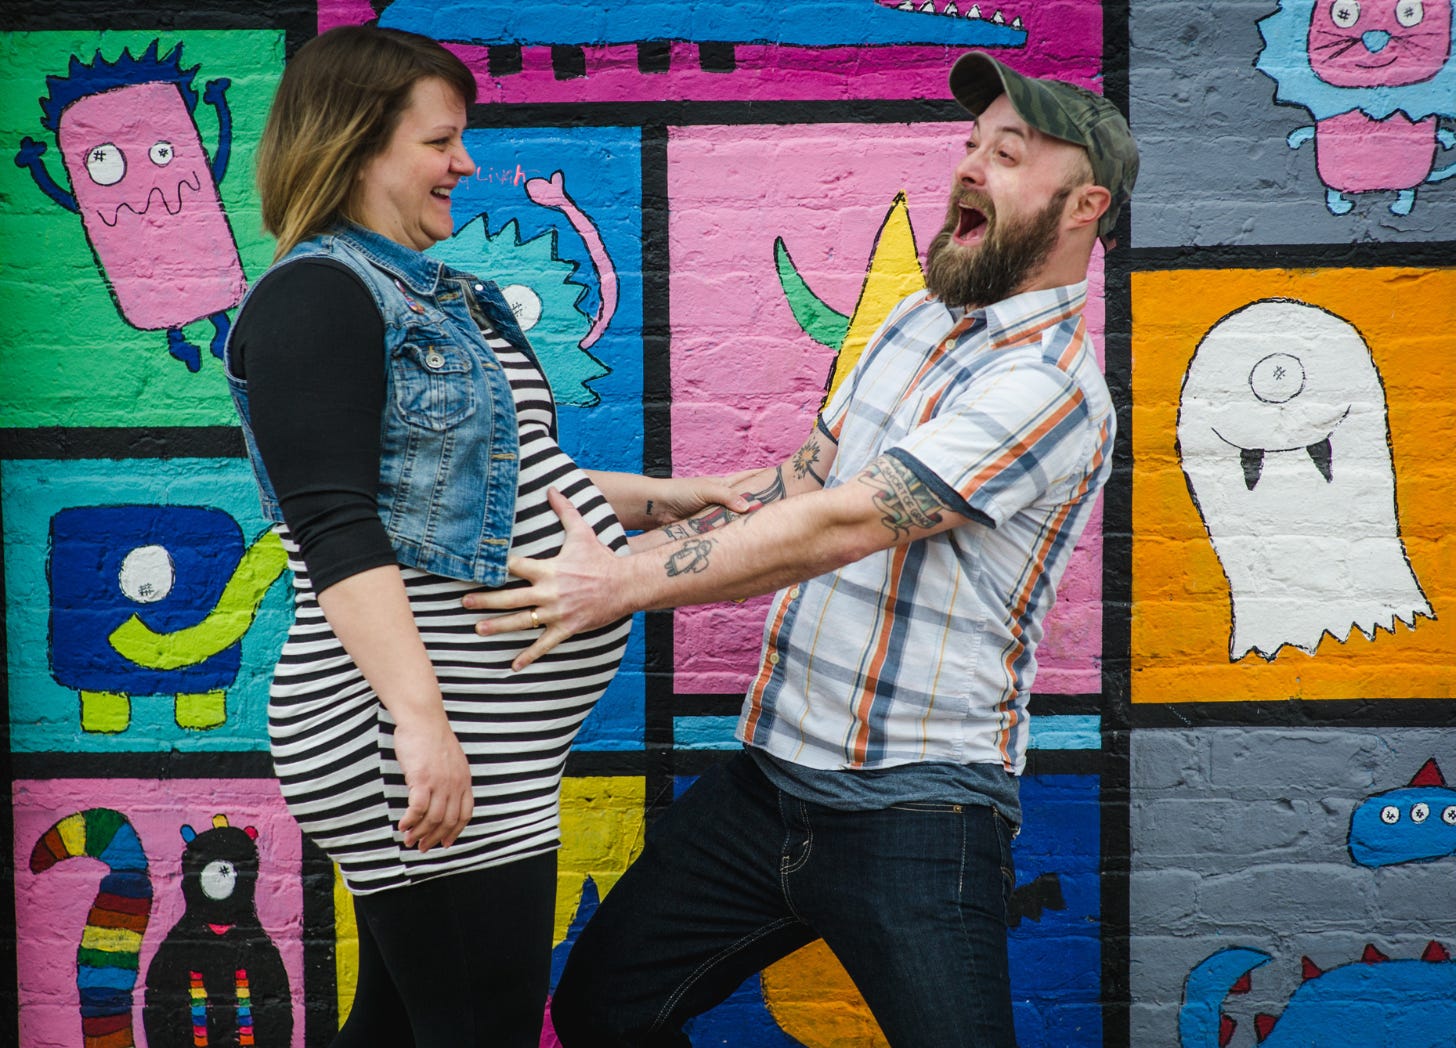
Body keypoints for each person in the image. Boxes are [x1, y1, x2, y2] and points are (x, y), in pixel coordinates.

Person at [464, 51, 1139, 1047]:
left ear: (1083, 206)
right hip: (766, 786)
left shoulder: (1049, 387)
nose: (966, 167)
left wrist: (618, 584)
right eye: (968, 145)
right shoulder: (916, 320)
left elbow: (850, 519)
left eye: (1006, 153)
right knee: (602, 1007)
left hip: (918, 813)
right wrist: (640, 518)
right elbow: (807, 482)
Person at [225, 25, 748, 1047]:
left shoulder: (429, 296)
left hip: (475, 722)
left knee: (406, 1022)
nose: (466, 163)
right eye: (441, 141)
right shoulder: (317, 297)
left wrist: (664, 496)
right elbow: (334, 524)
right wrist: (419, 722)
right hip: (412, 720)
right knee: (482, 1025)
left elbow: (473, 482)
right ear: (357, 142)